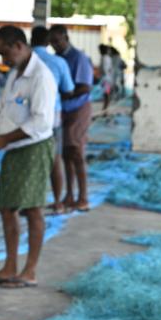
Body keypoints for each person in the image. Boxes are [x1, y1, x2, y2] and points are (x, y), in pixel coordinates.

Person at [0, 25, 57, 290]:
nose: (3, 59)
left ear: (19, 46)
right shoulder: (15, 74)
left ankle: (29, 271)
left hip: (33, 149)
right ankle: (9, 266)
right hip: (12, 148)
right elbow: (1, 106)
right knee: (7, 207)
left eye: (5, 53)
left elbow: (41, 123)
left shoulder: (41, 76)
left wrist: (5, 139)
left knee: (32, 209)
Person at [48, 25, 95, 212]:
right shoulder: (57, 59)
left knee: (76, 152)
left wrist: (65, 93)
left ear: (66, 38)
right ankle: (69, 195)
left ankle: (83, 197)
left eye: (57, 41)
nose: (55, 45)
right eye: (51, 42)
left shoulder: (78, 58)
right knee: (66, 154)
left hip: (78, 108)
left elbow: (86, 86)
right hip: (63, 110)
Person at [30, 26, 75, 215]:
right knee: (55, 160)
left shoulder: (24, 61)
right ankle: (57, 202)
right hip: (52, 117)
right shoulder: (58, 62)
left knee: (31, 160)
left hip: (28, 118)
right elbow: (69, 90)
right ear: (48, 42)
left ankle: (32, 203)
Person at [98, 44, 114, 112]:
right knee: (106, 94)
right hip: (107, 79)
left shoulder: (105, 58)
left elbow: (105, 69)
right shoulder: (106, 58)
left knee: (106, 94)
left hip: (106, 79)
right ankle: (105, 109)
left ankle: (105, 109)